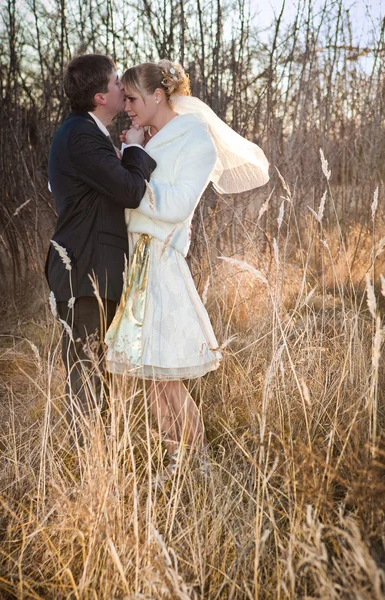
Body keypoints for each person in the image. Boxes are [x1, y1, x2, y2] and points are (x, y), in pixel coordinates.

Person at [104, 60, 269, 474]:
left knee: (167, 376)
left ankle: (199, 461)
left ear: (157, 96)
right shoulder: (151, 136)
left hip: (160, 262)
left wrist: (133, 170)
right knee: (151, 376)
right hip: (137, 260)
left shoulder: (197, 140)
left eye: (133, 98)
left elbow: (177, 206)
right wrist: (134, 153)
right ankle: (179, 459)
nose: (126, 106)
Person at [46, 54, 156, 445]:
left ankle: (100, 460)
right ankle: (87, 464)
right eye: (114, 83)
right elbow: (128, 190)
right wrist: (136, 151)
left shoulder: (87, 132)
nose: (122, 89)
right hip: (84, 269)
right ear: (98, 96)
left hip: (96, 268)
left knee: (96, 370)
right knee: (87, 373)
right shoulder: (80, 134)